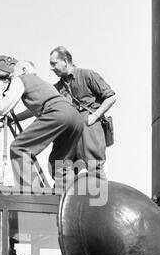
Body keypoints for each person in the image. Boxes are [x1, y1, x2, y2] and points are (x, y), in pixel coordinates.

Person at [0, 60, 84, 189]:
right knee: (60, 163)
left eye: (13, 73)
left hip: (57, 113)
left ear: (24, 70)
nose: (11, 76)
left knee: (19, 148)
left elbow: (1, 109)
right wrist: (13, 120)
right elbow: (34, 109)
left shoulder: (22, 79)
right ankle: (66, 199)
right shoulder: (44, 84)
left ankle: (29, 197)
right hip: (75, 118)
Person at [49, 46, 117, 178]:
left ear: (65, 61)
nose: (51, 68)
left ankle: (98, 197)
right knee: (60, 167)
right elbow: (42, 106)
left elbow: (111, 97)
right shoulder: (57, 88)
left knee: (94, 166)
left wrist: (95, 116)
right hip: (69, 128)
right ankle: (65, 197)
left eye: (54, 63)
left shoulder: (87, 75)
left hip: (89, 125)